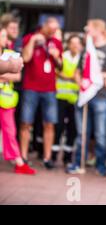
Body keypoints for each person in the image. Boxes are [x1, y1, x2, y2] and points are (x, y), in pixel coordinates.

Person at [66, 19, 106, 176]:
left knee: (100, 134)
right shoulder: (86, 49)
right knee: (82, 133)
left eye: (88, 29)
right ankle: (78, 162)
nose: (86, 32)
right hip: (84, 96)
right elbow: (78, 71)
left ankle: (101, 165)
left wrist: (95, 77)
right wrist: (81, 84)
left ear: (98, 30)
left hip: (101, 97)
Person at [19, 17, 62, 169]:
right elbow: (25, 58)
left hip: (49, 89)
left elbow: (60, 67)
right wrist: (32, 42)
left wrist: (56, 56)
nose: (53, 32)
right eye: (51, 29)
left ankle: (47, 158)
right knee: (26, 122)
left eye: (55, 30)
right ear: (44, 26)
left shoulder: (56, 42)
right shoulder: (30, 38)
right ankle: (23, 157)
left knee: (49, 124)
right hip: (31, 87)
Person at [0, 27, 36, 174]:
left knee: (10, 131)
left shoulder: (10, 54)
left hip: (5, 100)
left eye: (4, 36)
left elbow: (17, 76)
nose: (5, 39)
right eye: (2, 36)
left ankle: (19, 162)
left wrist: (4, 72)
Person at [52, 34, 83, 165]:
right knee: (58, 127)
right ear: (68, 44)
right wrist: (69, 76)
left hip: (76, 99)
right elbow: (56, 71)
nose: (75, 46)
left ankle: (67, 157)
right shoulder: (62, 57)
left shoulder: (83, 59)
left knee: (73, 129)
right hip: (60, 97)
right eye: (73, 43)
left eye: (77, 43)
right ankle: (53, 156)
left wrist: (68, 76)